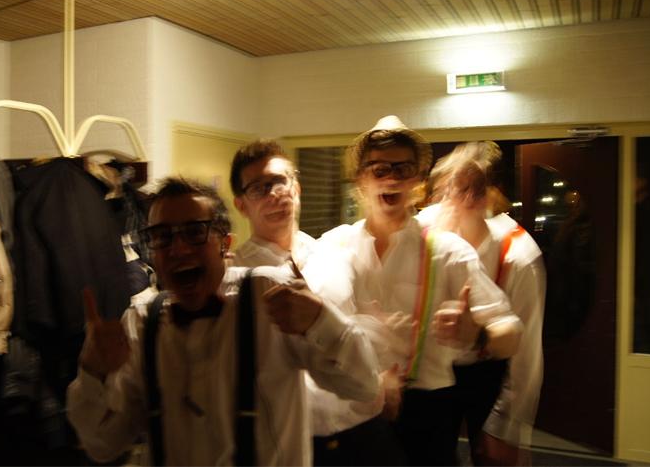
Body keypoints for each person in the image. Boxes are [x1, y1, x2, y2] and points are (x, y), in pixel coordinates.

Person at [66, 176, 380, 466]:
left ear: (225, 244)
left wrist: (321, 320)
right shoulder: (140, 322)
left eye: (194, 232)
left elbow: (363, 384)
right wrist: (93, 372)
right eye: (162, 237)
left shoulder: (270, 296)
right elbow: (103, 445)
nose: (178, 249)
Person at [320, 115, 523, 466]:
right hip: (349, 409)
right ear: (360, 180)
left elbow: (511, 333)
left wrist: (478, 334)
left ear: (417, 179)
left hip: (426, 414)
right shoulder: (333, 246)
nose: (392, 178)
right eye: (379, 168)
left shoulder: (449, 251)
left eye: (403, 168)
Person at [228, 139, 405, 466]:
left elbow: (365, 321)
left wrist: (383, 372)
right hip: (293, 441)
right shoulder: (235, 279)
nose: (275, 194)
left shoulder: (335, 255)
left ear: (297, 188)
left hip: (362, 426)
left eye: (281, 181)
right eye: (259, 188)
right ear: (241, 205)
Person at [419, 141, 546, 465]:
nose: (449, 201)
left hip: (489, 370)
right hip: (434, 367)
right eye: (443, 190)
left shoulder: (519, 256)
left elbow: (526, 354)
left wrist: (506, 428)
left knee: (495, 459)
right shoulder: (425, 228)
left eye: (467, 191)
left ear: (490, 197)